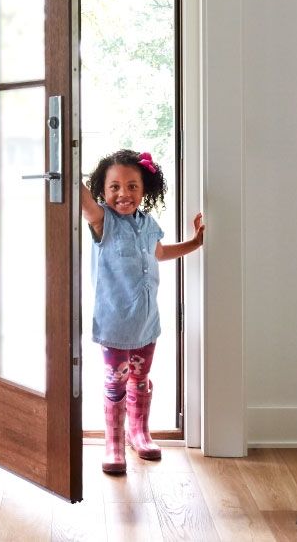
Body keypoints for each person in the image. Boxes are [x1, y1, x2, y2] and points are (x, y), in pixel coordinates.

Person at [80, 148, 205, 475]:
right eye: (115, 187)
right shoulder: (102, 221)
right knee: (115, 383)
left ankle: (139, 432)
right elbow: (84, 204)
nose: (124, 193)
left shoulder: (148, 223)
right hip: (115, 325)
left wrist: (194, 243)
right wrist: (65, 158)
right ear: (103, 191)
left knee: (140, 379)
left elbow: (159, 252)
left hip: (146, 322)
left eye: (133, 186)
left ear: (145, 188)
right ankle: (114, 441)